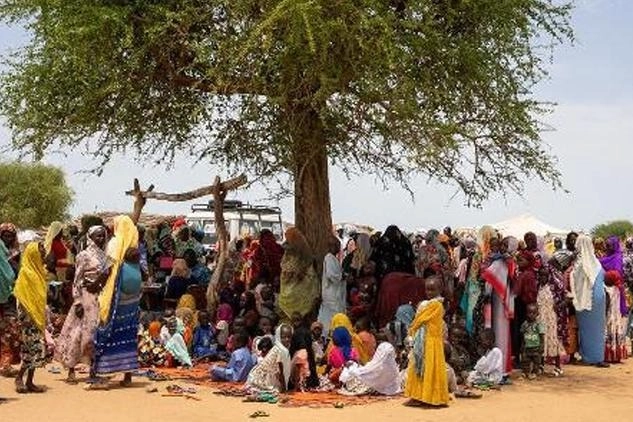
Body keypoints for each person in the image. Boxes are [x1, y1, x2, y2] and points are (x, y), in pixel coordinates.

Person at [55, 226, 112, 383]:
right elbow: (77, 279)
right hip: (85, 297)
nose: (101, 239)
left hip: (100, 297)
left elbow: (107, 277)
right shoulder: (84, 255)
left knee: (95, 333)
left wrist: (100, 283)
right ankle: (71, 369)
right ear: (90, 238)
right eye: (97, 236)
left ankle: (93, 369)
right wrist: (78, 300)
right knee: (77, 332)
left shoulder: (105, 256)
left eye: (103, 236)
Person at [93, 215, 141, 387]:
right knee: (128, 333)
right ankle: (128, 375)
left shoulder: (115, 243)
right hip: (133, 297)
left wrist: (95, 284)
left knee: (108, 330)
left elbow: (107, 269)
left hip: (117, 294)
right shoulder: (134, 243)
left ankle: (104, 373)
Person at [404, 276, 449, 407]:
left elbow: (420, 320)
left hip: (431, 343)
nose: (429, 292)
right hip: (422, 341)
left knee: (430, 369)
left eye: (432, 290)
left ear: (440, 290)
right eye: (427, 289)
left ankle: (431, 398)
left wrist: (412, 327)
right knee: (417, 368)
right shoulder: (428, 304)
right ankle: (417, 396)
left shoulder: (436, 305)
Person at [13, 242, 48, 394]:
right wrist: (26, 318)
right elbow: (21, 297)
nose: (44, 252)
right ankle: (19, 378)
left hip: (38, 317)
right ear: (33, 253)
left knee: (37, 350)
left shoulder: (40, 273)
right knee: (31, 349)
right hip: (28, 318)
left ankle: (29, 381)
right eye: (40, 250)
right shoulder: (26, 273)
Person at [570, 235, 608, 367]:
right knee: (598, 329)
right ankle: (598, 356)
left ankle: (588, 357)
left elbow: (576, 281)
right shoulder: (595, 262)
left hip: (586, 299)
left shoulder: (580, 263)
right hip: (599, 299)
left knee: (586, 329)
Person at [278, 228, 320, 321]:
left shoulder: (304, 254)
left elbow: (307, 270)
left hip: (301, 286)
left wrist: (296, 272)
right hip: (288, 284)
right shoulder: (288, 250)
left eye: (288, 237)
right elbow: (284, 264)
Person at [536, 264, 567, 376]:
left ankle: (558, 366)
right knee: (541, 340)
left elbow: (566, 299)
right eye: (540, 275)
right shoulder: (538, 286)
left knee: (554, 341)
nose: (542, 277)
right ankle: (540, 365)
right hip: (541, 318)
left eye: (545, 275)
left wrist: (558, 306)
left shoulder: (555, 286)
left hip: (552, 318)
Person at [246, 324, 293, 393]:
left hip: (267, 376)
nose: (287, 339)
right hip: (261, 378)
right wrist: (284, 388)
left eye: (289, 337)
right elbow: (280, 371)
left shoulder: (281, 348)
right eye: (283, 337)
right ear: (279, 337)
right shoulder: (280, 350)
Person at [317, 236, 345, 330]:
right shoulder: (329, 257)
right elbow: (331, 275)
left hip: (333, 293)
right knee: (330, 316)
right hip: (331, 294)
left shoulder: (333, 258)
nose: (338, 248)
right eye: (336, 245)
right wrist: (343, 277)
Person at [520, 303, 544, 380]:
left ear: (537, 314)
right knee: (525, 360)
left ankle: (534, 372)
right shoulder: (524, 324)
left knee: (536, 361)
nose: (531, 315)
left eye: (534, 313)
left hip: (536, 347)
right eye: (529, 312)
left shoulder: (538, 324)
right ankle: (525, 372)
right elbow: (522, 335)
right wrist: (522, 345)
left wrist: (542, 346)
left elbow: (541, 336)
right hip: (527, 347)